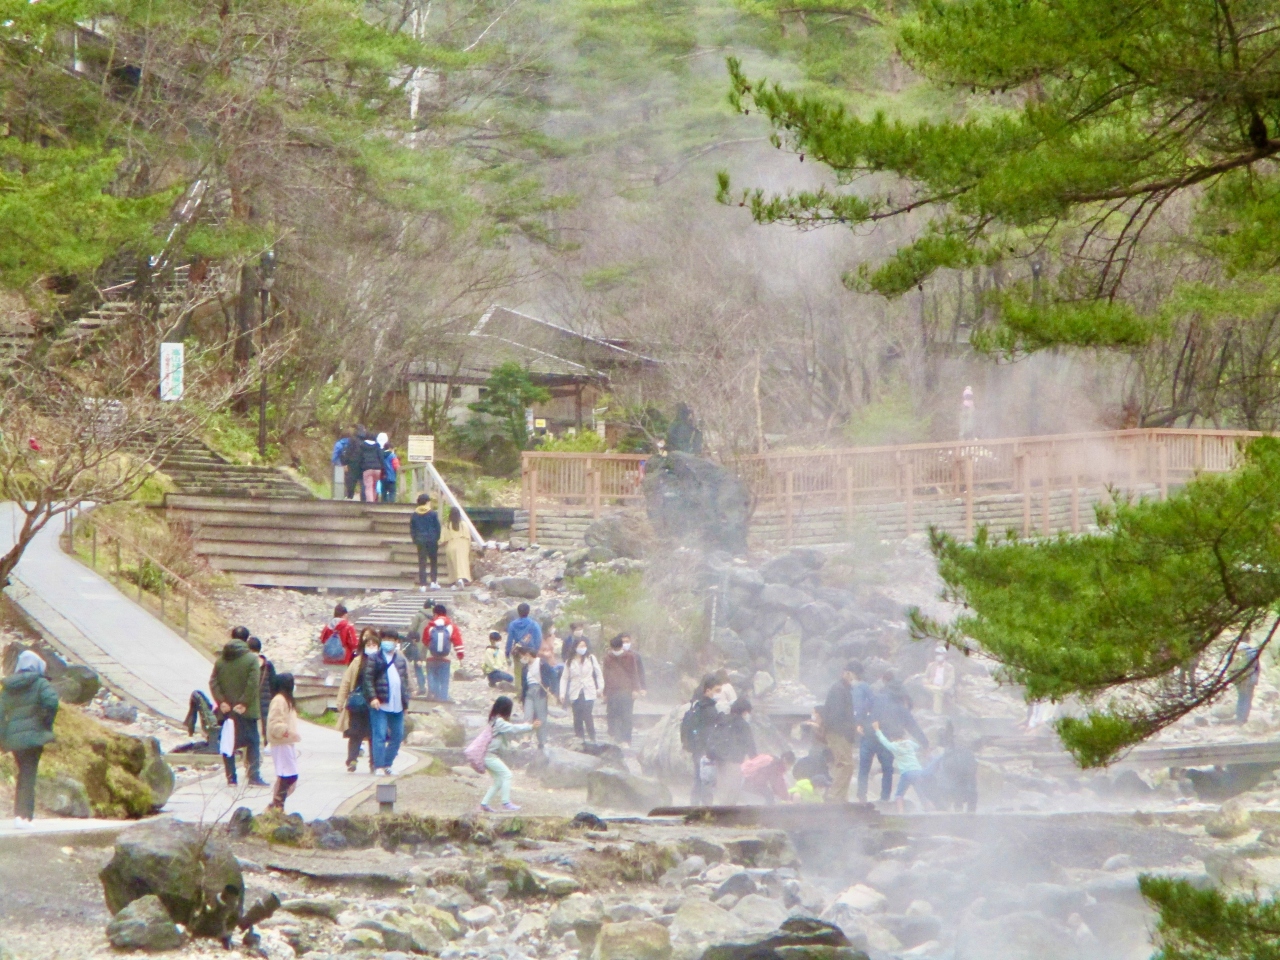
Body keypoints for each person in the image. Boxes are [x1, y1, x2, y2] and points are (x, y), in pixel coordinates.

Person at [0, 651, 59, 828]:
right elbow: (52, 702)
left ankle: (19, 815)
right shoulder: (40, 683)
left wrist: (3, 738)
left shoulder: (9, 687)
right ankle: (24, 816)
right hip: (34, 738)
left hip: (14, 739)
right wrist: (45, 723)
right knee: (28, 775)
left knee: (22, 773)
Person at [211, 633, 266, 787]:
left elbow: (213, 682)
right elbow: (253, 683)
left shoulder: (220, 661)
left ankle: (231, 778)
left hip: (227, 711)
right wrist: (243, 703)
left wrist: (221, 701)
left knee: (228, 742)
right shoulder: (251, 660)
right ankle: (253, 776)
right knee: (253, 742)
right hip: (246, 711)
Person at [479, 696, 540, 812]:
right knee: (507, 775)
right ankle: (506, 802)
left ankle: (484, 804)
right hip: (490, 756)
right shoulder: (499, 722)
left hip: (488, 755)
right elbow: (513, 728)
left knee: (498, 781)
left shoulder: (493, 720)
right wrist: (530, 727)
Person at [363, 632, 411, 775]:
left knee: (398, 735)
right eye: (385, 639)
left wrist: (405, 703)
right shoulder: (374, 658)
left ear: (396, 642)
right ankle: (378, 766)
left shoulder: (400, 659)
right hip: (380, 703)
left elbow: (404, 682)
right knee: (379, 735)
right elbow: (368, 679)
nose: (387, 642)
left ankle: (387, 764)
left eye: (390, 639)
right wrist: (373, 697)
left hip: (397, 704)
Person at [820, 661, 860, 802]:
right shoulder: (838, 689)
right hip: (838, 733)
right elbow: (836, 715)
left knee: (847, 766)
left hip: (843, 733)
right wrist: (846, 731)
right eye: (854, 675)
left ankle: (842, 798)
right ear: (846, 673)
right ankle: (833, 795)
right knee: (845, 765)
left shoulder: (844, 689)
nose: (855, 679)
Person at [681, 675, 723, 806]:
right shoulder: (709, 709)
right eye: (717, 690)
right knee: (706, 780)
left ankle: (694, 805)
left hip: (697, 749)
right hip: (705, 750)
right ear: (708, 691)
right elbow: (710, 731)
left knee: (698, 778)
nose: (719, 694)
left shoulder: (698, 706)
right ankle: (706, 808)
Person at [873, 721, 933, 813]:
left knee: (899, 794)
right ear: (903, 735)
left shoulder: (894, 746)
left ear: (892, 738)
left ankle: (901, 812)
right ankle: (928, 809)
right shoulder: (909, 743)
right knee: (921, 792)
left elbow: (883, 741)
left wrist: (877, 729)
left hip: (906, 773)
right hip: (917, 771)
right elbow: (919, 748)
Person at [336, 637, 375, 773]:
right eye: (368, 644)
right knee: (355, 732)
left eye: (374, 644)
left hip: (374, 703)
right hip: (357, 702)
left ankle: (374, 762)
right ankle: (352, 759)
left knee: (373, 733)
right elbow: (346, 681)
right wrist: (340, 700)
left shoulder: (381, 661)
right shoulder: (357, 661)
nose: (371, 646)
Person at [709, 698, 757, 804]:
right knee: (733, 788)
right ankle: (729, 810)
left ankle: (719, 808)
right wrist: (755, 759)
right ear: (744, 711)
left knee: (722, 787)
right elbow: (750, 743)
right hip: (734, 760)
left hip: (719, 758)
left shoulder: (722, 720)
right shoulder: (743, 724)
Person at [267, 673, 302, 811]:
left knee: (288, 776)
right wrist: (285, 731)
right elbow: (274, 721)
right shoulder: (279, 700)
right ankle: (277, 805)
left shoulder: (286, 700)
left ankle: (277, 805)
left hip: (287, 741)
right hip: (281, 742)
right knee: (288, 776)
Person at [602, 634, 646, 745]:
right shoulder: (608, 658)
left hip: (627, 690)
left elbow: (634, 673)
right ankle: (614, 736)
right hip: (612, 691)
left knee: (626, 716)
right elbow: (606, 676)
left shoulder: (630, 657)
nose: (616, 651)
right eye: (614, 649)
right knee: (612, 714)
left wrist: (636, 689)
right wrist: (605, 692)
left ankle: (626, 740)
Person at [561, 637, 604, 740]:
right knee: (577, 716)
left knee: (587, 714)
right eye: (581, 646)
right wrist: (562, 693)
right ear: (575, 647)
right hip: (575, 690)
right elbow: (564, 678)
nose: (583, 648)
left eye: (584, 646)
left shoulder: (591, 658)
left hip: (588, 689)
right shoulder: (569, 661)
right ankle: (580, 738)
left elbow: (598, 673)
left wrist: (601, 688)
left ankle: (592, 738)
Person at [422, 605, 464, 702]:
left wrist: (432, 646)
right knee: (444, 679)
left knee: (432, 676)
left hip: (431, 657)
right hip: (445, 658)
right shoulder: (451, 626)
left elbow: (425, 640)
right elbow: (458, 642)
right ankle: (443, 697)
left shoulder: (430, 626)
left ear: (435, 614)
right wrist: (460, 655)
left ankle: (433, 695)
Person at [506, 603, 543, 694]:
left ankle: (519, 693)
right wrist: (535, 651)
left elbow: (509, 640)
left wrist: (507, 653)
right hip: (531, 653)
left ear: (518, 612)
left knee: (518, 674)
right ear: (528, 611)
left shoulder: (512, 625)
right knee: (531, 673)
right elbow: (539, 639)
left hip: (518, 652)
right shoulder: (534, 624)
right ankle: (529, 693)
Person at [518, 649, 551, 749]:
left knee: (541, 716)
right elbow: (523, 684)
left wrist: (550, 688)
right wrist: (522, 699)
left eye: (522, 656)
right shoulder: (525, 668)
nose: (521, 659)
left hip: (540, 691)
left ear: (527, 654)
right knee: (527, 715)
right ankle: (526, 738)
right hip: (529, 691)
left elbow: (552, 674)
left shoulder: (541, 663)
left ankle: (542, 741)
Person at [247, 635, 276, 742]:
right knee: (266, 724)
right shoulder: (268, 665)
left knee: (251, 726)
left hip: (251, 700)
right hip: (266, 700)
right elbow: (273, 682)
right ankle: (267, 743)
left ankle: (253, 745)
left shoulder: (247, 663)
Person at [410, 495, 442, 590]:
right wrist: (437, 538)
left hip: (420, 540)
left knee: (422, 562)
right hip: (432, 540)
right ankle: (433, 582)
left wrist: (415, 539)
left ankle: (423, 584)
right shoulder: (432, 514)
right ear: (427, 502)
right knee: (433, 561)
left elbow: (412, 529)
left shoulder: (414, 515)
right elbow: (437, 527)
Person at [922, 646, 956, 715]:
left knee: (938, 692)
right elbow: (925, 676)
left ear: (944, 655)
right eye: (937, 654)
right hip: (931, 686)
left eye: (940, 654)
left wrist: (945, 687)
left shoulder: (949, 667)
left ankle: (936, 713)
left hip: (942, 687)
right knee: (937, 691)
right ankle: (937, 713)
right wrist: (926, 681)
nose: (938, 655)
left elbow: (951, 679)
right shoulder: (931, 665)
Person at [441, 509, 471, 585]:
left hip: (451, 545)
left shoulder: (447, 525)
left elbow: (442, 541)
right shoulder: (463, 525)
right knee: (463, 563)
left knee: (452, 564)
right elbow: (468, 538)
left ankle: (453, 581)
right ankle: (463, 579)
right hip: (463, 546)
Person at [356, 426, 384, 502]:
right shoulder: (377, 446)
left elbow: (359, 458)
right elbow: (381, 457)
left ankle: (370, 504)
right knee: (374, 486)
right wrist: (382, 467)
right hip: (377, 469)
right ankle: (374, 501)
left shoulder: (362, 446)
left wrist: (359, 468)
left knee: (368, 487)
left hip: (367, 469)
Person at [1236, 643, 1262, 724]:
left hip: (1241, 680)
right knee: (1247, 699)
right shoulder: (1254, 654)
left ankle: (1239, 718)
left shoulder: (1240, 655)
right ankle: (1243, 718)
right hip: (1250, 680)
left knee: (1242, 697)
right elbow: (1257, 668)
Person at [341, 425, 366, 500]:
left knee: (351, 482)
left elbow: (348, 452)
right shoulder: (365, 440)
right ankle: (364, 500)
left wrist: (345, 463)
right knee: (363, 483)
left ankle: (349, 497)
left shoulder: (353, 439)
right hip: (363, 463)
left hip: (353, 463)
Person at [334, 428, 358, 500]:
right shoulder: (353, 443)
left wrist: (337, 464)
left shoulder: (338, 444)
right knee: (350, 480)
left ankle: (340, 496)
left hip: (340, 465)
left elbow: (335, 456)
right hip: (351, 465)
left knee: (339, 481)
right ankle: (349, 495)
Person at [378, 433, 400, 503]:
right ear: (390, 448)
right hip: (391, 477)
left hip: (383, 476)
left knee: (383, 492)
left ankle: (383, 504)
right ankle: (391, 505)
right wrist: (399, 470)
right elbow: (396, 466)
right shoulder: (392, 456)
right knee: (392, 492)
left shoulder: (380, 455)